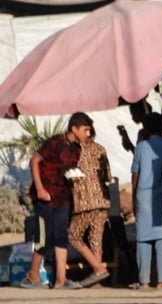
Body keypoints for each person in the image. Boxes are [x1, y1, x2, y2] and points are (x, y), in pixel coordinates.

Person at [22, 111, 90, 290]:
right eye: (85, 130)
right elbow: (35, 161)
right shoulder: (55, 142)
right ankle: (32, 275)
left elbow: (67, 171)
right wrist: (40, 188)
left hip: (62, 197)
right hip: (44, 197)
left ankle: (61, 279)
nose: (88, 134)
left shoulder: (77, 149)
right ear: (74, 129)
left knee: (61, 236)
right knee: (44, 237)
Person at [130, 112, 162, 289]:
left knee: (143, 238)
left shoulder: (140, 147)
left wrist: (134, 198)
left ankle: (143, 281)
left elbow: (135, 174)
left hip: (142, 196)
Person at [69, 123, 112, 288]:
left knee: (74, 236)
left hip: (84, 201)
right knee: (96, 238)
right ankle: (97, 276)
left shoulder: (74, 151)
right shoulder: (101, 149)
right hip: (102, 200)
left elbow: (69, 174)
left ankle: (98, 269)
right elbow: (108, 176)